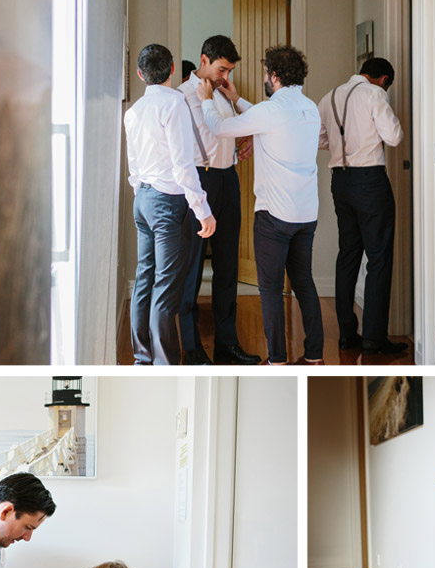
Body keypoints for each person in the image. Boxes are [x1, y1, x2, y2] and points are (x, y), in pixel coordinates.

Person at [199, 46, 323, 365]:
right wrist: (238, 99)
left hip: (274, 216)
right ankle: (314, 356)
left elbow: (221, 128)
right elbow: (269, 121)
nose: (265, 78)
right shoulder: (309, 108)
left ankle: (278, 359)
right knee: (304, 283)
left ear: (274, 76)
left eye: (267, 73)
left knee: (269, 289)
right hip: (307, 214)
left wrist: (205, 101)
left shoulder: (271, 111)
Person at [124, 42, 216, 369]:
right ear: (173, 69)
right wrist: (203, 210)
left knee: (145, 278)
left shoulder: (132, 112)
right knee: (165, 285)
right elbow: (182, 163)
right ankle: (163, 364)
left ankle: (142, 358)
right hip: (167, 202)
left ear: (139, 74)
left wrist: (144, 195)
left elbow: (133, 167)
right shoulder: (174, 104)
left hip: (144, 200)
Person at [178, 36, 259, 367]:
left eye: (230, 70)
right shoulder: (182, 97)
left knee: (228, 267)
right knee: (192, 270)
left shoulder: (225, 93)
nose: (226, 75)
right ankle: (192, 347)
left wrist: (247, 139)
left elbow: (228, 129)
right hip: (200, 180)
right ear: (204, 60)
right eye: (222, 68)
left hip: (229, 179)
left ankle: (228, 344)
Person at [316, 58, 403, 364]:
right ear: (382, 79)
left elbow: (321, 140)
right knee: (379, 258)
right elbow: (394, 137)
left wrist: (347, 144)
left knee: (348, 255)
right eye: (388, 84)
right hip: (369, 180)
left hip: (340, 181)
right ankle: (374, 339)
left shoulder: (330, 96)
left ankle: (346, 334)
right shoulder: (374, 94)